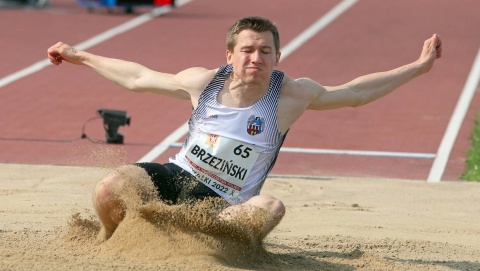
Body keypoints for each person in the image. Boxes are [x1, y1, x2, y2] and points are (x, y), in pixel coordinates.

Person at [47, 16, 442, 240]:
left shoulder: (290, 95)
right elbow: (136, 77)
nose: (257, 57)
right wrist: (78, 55)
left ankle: (204, 247)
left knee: (271, 208)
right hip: (177, 175)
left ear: (277, 56)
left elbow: (355, 92)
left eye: (265, 50)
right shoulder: (203, 82)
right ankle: (110, 239)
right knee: (110, 187)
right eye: (248, 50)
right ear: (230, 55)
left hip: (226, 202)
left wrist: (418, 67)